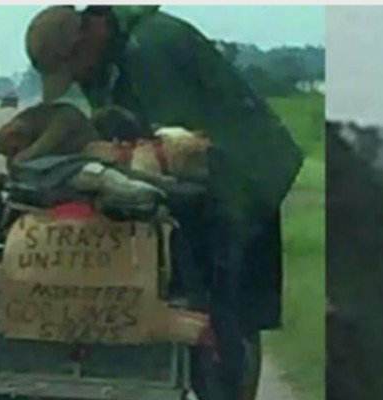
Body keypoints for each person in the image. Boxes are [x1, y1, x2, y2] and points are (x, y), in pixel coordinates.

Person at [24, 5, 304, 400]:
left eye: (74, 67)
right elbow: (114, 125)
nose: (78, 79)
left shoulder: (150, 46)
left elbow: (175, 144)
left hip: (246, 173)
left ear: (89, 37)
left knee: (226, 307)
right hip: (206, 170)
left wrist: (118, 159)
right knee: (182, 273)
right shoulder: (108, 61)